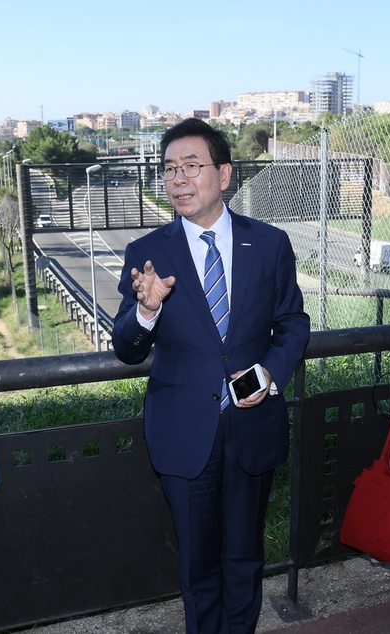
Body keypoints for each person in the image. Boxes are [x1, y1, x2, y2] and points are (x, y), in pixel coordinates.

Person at [111, 118, 310, 634]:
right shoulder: (147, 254)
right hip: (184, 432)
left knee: (245, 559)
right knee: (198, 567)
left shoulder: (268, 244)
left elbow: (292, 323)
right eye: (169, 169)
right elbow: (126, 348)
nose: (178, 179)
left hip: (253, 424)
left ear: (223, 174)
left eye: (191, 166)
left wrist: (270, 373)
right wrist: (147, 312)